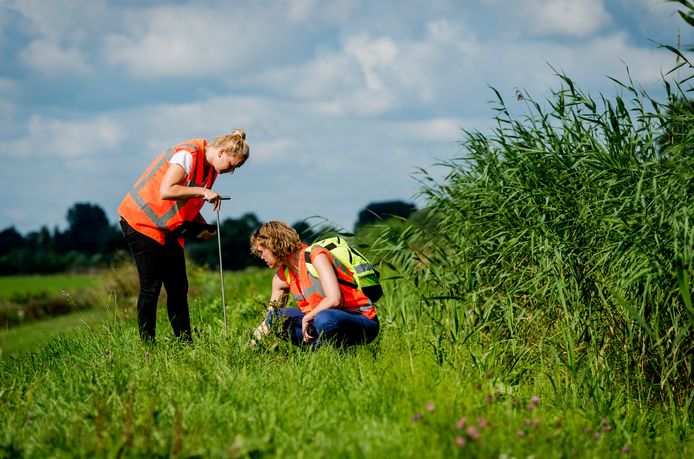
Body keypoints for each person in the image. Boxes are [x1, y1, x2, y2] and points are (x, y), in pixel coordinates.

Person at [118, 129, 250, 343]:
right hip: (141, 220)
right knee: (151, 287)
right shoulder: (188, 154)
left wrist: (200, 226)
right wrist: (203, 192)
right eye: (233, 165)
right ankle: (147, 347)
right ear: (222, 152)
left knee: (179, 287)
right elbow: (167, 191)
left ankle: (186, 344)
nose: (231, 171)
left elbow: (185, 201)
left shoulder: (212, 169)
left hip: (167, 227)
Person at [250, 221, 379, 348]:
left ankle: (333, 350)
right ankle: (323, 352)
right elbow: (270, 319)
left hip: (361, 319)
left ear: (273, 244)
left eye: (262, 252)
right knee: (276, 318)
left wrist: (308, 317)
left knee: (324, 319)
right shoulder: (281, 277)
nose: (261, 257)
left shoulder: (315, 256)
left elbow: (334, 299)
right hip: (320, 320)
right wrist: (249, 347)